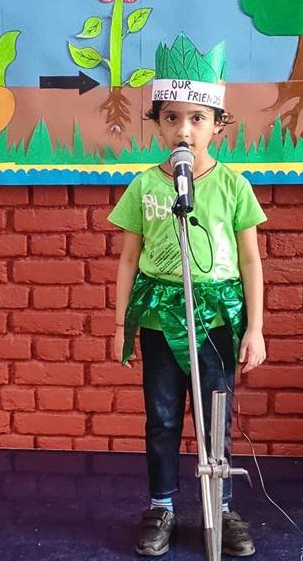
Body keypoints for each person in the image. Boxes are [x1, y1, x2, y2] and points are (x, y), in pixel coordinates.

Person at [109, 61, 267, 557]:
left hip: (216, 319)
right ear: (157, 125)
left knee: (215, 417)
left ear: (217, 125)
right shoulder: (145, 186)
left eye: (198, 118)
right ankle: (161, 506)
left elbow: (250, 259)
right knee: (161, 416)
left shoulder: (233, 185)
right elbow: (129, 259)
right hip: (161, 318)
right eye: (172, 117)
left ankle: (220, 505)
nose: (184, 129)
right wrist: (120, 324)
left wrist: (256, 328)